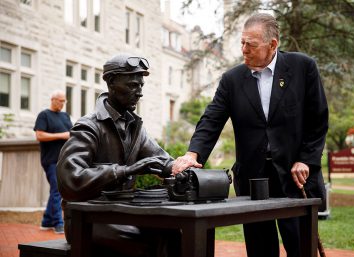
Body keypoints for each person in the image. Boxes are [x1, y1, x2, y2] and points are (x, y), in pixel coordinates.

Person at [172, 13, 328, 257]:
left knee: (300, 247)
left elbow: (318, 120)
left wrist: (306, 159)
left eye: (251, 45)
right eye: (242, 43)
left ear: (273, 44)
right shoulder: (232, 80)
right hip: (253, 181)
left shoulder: (303, 67)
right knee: (260, 250)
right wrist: (193, 153)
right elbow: (211, 120)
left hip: (295, 177)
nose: (244, 49)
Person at [56, 54, 179, 257]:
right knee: (145, 245)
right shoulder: (89, 127)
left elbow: (162, 159)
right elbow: (70, 180)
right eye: (132, 85)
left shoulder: (135, 126)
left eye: (141, 86)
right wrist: (125, 171)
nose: (139, 93)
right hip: (86, 219)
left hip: (123, 213)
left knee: (172, 234)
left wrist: (182, 168)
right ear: (111, 82)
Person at [34, 90, 72, 234]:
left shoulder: (65, 116)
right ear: (53, 100)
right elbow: (39, 135)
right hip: (50, 160)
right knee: (57, 191)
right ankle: (58, 223)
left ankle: (47, 221)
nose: (63, 103)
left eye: (64, 101)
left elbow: (71, 134)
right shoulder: (44, 115)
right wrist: (62, 135)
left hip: (64, 160)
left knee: (56, 191)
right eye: (61, 101)